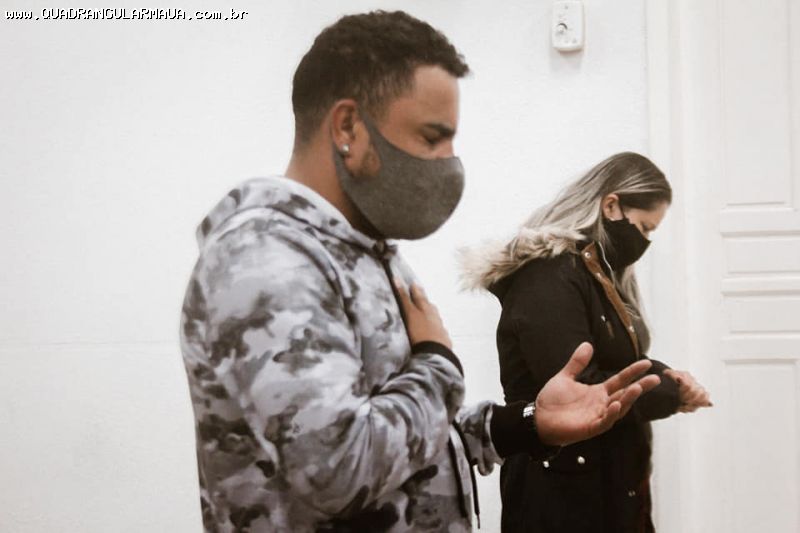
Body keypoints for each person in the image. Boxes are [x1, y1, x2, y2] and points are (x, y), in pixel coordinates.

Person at [179, 12, 661, 533]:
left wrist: (524, 424)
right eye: (432, 138)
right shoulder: (268, 262)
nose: (448, 163)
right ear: (347, 127)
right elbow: (339, 469)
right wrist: (436, 362)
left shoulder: (360, 253)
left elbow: (405, 437)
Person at [460, 151, 712, 532]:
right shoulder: (549, 276)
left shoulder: (595, 274)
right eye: (645, 228)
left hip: (607, 489)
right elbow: (582, 388)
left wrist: (669, 376)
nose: (645, 241)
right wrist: (668, 391)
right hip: (562, 498)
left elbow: (620, 364)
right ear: (611, 206)